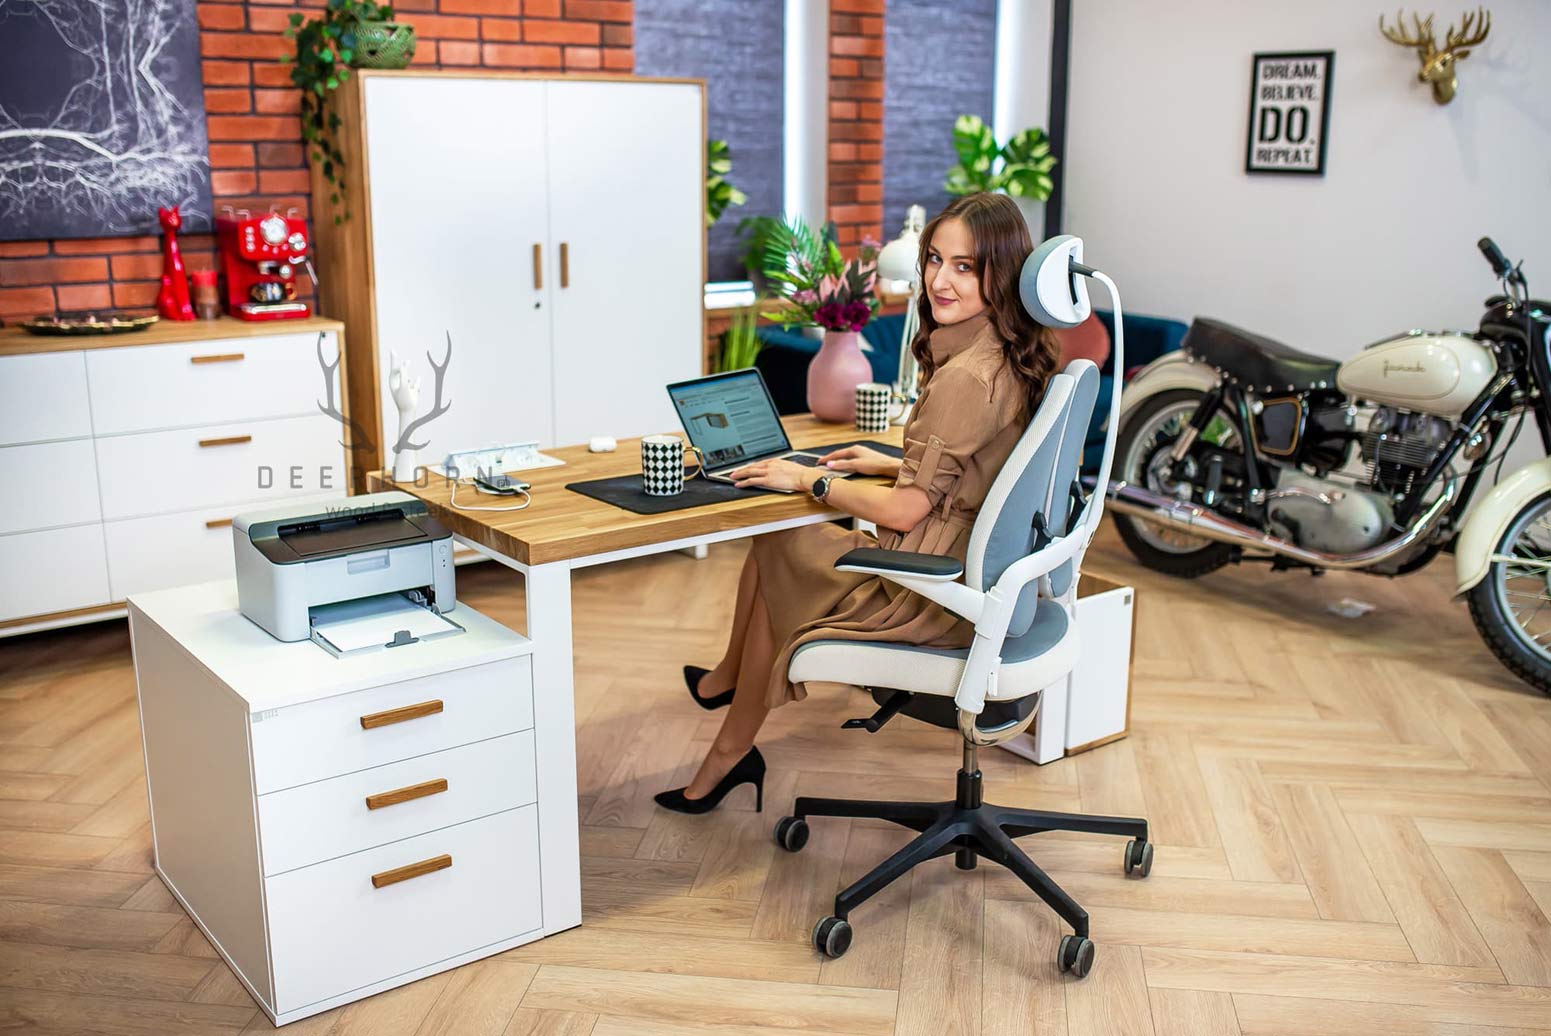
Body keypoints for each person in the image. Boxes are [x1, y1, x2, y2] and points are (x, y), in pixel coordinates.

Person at [655, 192, 1061, 814]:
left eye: (964, 266)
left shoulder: (967, 376)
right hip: (987, 577)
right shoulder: (1007, 357)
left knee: (777, 545)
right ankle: (728, 687)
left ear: (1001, 274)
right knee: (778, 553)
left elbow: (903, 514)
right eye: (934, 259)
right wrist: (892, 463)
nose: (939, 279)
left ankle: (729, 744)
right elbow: (990, 477)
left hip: (935, 592)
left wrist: (809, 482)